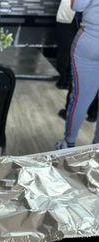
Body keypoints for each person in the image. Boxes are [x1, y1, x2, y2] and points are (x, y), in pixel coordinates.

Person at [55, 0, 99, 149]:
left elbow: (77, 6)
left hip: (91, 41)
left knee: (80, 97)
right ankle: (97, 147)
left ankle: (69, 142)